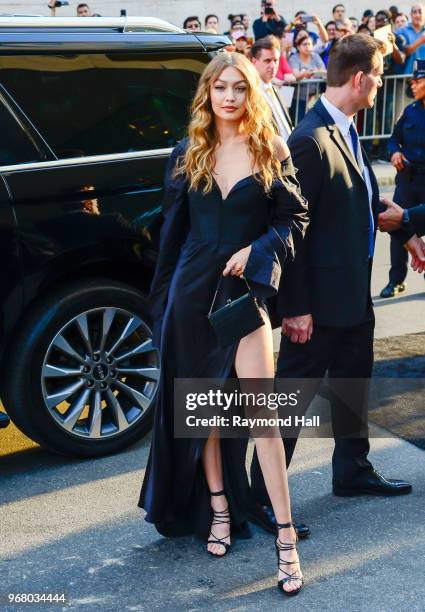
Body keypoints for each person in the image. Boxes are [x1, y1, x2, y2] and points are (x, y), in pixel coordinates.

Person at [138, 51, 309, 596]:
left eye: (240, 87)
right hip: (190, 292)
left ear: (252, 92)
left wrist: (257, 252)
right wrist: (160, 304)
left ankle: (285, 535)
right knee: (203, 408)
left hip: (242, 293)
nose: (230, 97)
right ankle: (216, 506)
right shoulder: (188, 153)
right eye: (221, 88)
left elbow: (293, 217)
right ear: (207, 94)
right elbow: (173, 235)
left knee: (262, 415)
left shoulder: (270, 149)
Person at [249, 35, 417, 528]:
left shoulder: (345, 128)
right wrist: (295, 306)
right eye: (380, 77)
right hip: (315, 305)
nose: (383, 85)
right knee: (290, 403)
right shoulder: (309, 139)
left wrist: (404, 229)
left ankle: (352, 470)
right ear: (361, 79)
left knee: (352, 384)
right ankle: (262, 498)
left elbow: (359, 203)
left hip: (351, 294)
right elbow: (289, 229)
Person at [380, 59, 425, 297]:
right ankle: (396, 280)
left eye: (418, 81)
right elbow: (392, 139)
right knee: (397, 226)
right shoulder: (410, 111)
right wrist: (395, 151)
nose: (413, 85)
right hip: (407, 180)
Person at [250, 36, 294, 142]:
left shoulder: (275, 90)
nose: (273, 65)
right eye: (267, 61)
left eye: (276, 60)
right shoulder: (250, 94)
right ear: (254, 62)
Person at [289, 31, 326, 120]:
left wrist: (310, 73)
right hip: (298, 98)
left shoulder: (315, 56)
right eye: (304, 44)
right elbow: (295, 75)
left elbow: (324, 72)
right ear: (298, 47)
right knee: (299, 122)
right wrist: (307, 73)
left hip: (315, 97)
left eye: (309, 44)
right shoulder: (294, 58)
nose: (307, 47)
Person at [397, 4, 425, 74]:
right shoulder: (402, 31)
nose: (417, 15)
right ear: (410, 15)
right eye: (414, 12)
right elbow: (403, 52)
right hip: (407, 78)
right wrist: (421, 40)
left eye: (420, 12)